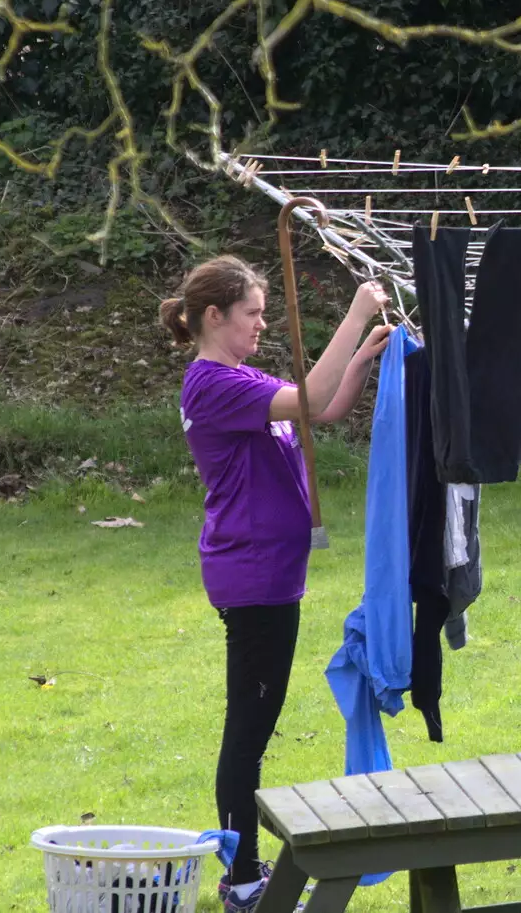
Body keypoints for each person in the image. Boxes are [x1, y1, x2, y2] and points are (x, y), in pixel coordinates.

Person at [158, 257, 391, 911]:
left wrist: (364, 356)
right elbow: (312, 399)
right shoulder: (211, 385)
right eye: (253, 314)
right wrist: (355, 313)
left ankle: (247, 874)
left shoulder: (243, 377)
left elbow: (323, 410)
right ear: (215, 316)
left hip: (271, 576)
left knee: (254, 723)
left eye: (263, 311)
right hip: (253, 575)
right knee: (249, 730)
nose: (263, 323)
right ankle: (242, 880)